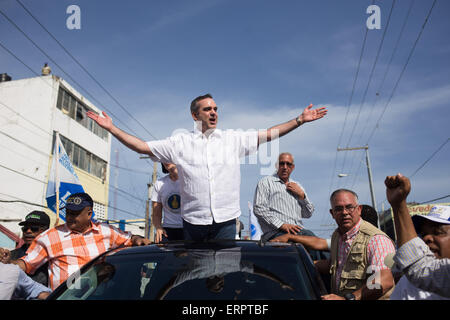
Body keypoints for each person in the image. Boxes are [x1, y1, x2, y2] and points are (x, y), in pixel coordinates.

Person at [87, 94, 327, 241]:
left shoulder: (233, 139)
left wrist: (299, 120)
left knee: (223, 276)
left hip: (226, 223)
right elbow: (141, 146)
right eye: (207, 109)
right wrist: (111, 128)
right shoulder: (179, 143)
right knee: (196, 275)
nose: (214, 112)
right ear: (194, 115)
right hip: (192, 223)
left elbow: (269, 134)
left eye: (216, 109)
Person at [0, 192, 150, 290]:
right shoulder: (50, 237)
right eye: (68, 212)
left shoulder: (107, 231)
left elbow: (129, 239)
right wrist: (9, 262)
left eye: (76, 213)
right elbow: (26, 263)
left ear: (89, 213)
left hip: (100, 294)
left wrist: (138, 239)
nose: (70, 217)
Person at [315, 189, 396, 300]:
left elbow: (385, 280)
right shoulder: (337, 236)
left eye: (349, 207)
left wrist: (349, 298)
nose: (344, 212)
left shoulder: (376, 239)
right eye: (338, 209)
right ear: (332, 213)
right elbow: (337, 266)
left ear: (359, 209)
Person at [385, 173, 450, 299]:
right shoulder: (409, 283)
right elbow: (417, 265)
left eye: (438, 232)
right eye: (424, 234)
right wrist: (398, 204)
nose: (426, 239)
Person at [6, 211, 50, 286]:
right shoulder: (11, 256)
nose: (28, 231)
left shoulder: (52, 257)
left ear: (46, 231)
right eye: (25, 228)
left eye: (34, 228)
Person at [151, 163, 183, 243]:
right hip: (168, 229)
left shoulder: (188, 181)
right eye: (163, 159)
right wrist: (158, 227)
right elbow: (156, 213)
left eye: (169, 157)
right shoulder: (159, 183)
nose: (166, 161)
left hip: (188, 228)